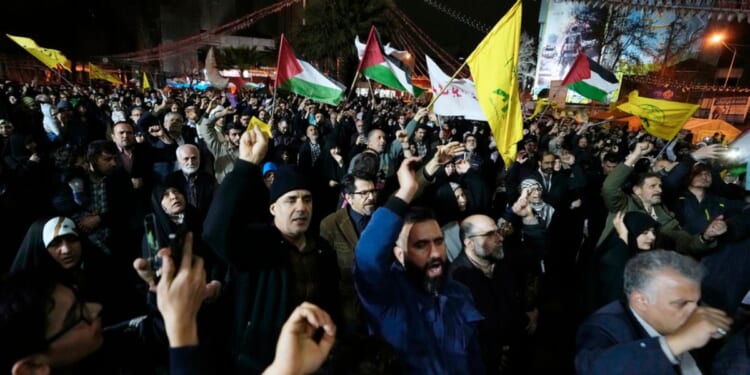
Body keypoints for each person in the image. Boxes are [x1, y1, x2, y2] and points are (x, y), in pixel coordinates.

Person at [203, 125, 339, 373]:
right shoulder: (257, 244)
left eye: (306, 199)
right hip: (260, 363)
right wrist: (245, 165)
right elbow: (214, 231)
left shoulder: (322, 251)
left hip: (312, 359)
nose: (301, 207)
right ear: (273, 208)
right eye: (291, 199)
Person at [354, 155, 485, 374]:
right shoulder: (389, 298)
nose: (435, 253)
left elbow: (473, 359)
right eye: (421, 245)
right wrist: (405, 192)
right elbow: (367, 257)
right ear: (399, 254)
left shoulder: (459, 294)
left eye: (439, 241)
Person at [575, 250, 733, 375]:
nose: (695, 311)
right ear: (641, 300)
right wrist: (676, 342)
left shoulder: (688, 319)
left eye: (696, 302)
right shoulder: (605, 326)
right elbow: (594, 368)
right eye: (681, 303)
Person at [451, 214, 535, 374]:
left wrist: (529, 311)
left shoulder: (503, 261)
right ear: (469, 243)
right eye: (489, 234)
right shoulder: (456, 280)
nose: (500, 238)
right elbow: (460, 334)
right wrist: (489, 354)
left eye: (498, 232)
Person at [319, 171, 378, 333]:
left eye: (373, 191)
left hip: (383, 304)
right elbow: (325, 276)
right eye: (364, 193)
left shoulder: (381, 218)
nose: (371, 197)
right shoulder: (331, 225)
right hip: (350, 311)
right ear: (348, 197)